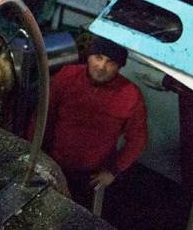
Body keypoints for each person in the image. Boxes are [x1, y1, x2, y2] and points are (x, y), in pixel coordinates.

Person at [29, 35, 148, 208]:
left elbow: (138, 139)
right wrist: (35, 153)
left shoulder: (130, 94)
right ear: (89, 56)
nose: (101, 67)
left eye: (110, 62)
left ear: (120, 66)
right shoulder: (67, 76)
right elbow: (43, 115)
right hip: (54, 163)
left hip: (92, 177)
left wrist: (113, 171)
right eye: (98, 57)